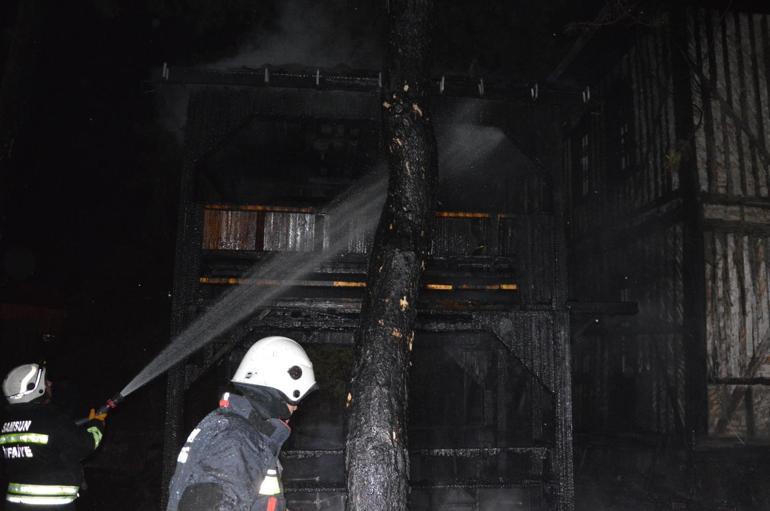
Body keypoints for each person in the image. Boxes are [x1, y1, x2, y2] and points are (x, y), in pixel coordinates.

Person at [166, 336, 317, 511]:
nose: (296, 407)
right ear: (280, 387)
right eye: (295, 400)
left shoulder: (242, 435)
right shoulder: (236, 440)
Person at [0, 363, 106, 510]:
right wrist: (97, 424)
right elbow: (84, 446)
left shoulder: (6, 425)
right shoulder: (51, 418)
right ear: (36, 389)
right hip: (51, 504)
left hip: (14, 505)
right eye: (45, 381)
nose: (50, 383)